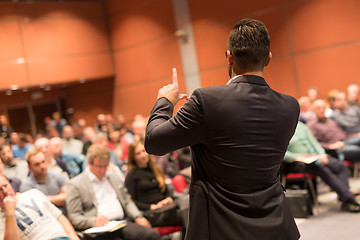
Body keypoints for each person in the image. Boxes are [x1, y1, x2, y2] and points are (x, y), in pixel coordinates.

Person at [145, 19, 300, 240]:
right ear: (268, 59)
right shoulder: (290, 106)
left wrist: (164, 102)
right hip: (276, 226)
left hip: (220, 229)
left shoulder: (207, 101)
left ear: (229, 57)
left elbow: (154, 142)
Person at [66, 144, 161, 240]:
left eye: (105, 166)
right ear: (89, 163)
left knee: (152, 235)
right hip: (100, 230)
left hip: (122, 223)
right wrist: (93, 221)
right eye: (99, 166)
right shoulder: (75, 184)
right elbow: (74, 217)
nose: (103, 170)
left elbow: (127, 201)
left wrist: (137, 216)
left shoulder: (112, 176)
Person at [284, 121, 360, 212]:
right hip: (298, 163)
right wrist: (296, 157)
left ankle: (344, 198)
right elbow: (281, 153)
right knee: (323, 170)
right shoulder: (281, 129)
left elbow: (314, 142)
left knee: (341, 165)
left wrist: (322, 154)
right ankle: (349, 198)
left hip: (314, 157)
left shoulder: (301, 126)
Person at [125, 141, 187, 229]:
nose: (143, 155)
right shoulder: (131, 175)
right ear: (133, 157)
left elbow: (165, 191)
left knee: (187, 202)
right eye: (138, 153)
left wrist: (167, 199)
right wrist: (152, 206)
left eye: (143, 151)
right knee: (186, 213)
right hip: (151, 212)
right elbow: (131, 201)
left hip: (166, 207)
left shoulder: (155, 169)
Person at [0, 175, 79, 240]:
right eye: (0, 189)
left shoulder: (33, 193)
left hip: (62, 237)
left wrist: (73, 237)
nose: (5, 191)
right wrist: (9, 212)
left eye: (6, 185)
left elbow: (59, 217)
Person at [20, 148, 68, 215]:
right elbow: (35, 208)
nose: (42, 166)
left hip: (65, 216)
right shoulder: (26, 185)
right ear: (30, 167)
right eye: (37, 164)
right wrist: (59, 198)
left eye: (43, 162)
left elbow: (67, 197)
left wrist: (44, 199)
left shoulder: (58, 176)